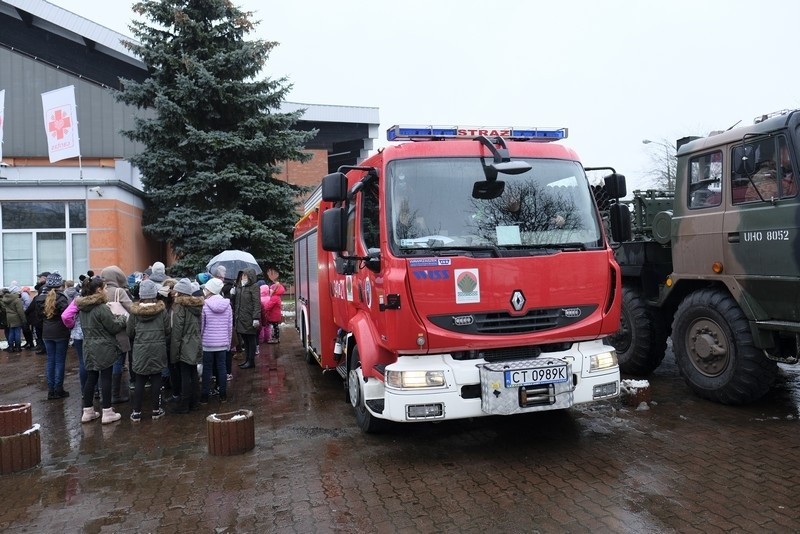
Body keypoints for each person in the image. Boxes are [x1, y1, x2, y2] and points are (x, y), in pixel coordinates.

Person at [77, 276, 128, 424]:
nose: (106, 290)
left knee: (91, 378)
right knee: (105, 378)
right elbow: (114, 327)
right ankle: (107, 412)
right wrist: (123, 318)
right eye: (105, 288)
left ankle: (87, 412)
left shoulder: (83, 308)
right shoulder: (101, 308)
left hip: (88, 346)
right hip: (103, 347)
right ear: (98, 290)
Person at [127, 279, 170, 422]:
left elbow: (130, 332)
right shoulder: (162, 310)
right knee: (156, 377)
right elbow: (167, 330)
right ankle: (156, 410)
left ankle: (136, 412)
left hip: (140, 349)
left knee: (140, 379)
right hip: (158, 348)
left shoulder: (134, 312)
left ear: (140, 295)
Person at [100, 265, 134, 404]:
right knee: (118, 363)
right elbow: (131, 309)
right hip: (119, 332)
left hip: (102, 333)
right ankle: (115, 395)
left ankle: (104, 395)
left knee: (104, 364)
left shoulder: (99, 291)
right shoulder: (118, 291)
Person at [170, 278, 203, 413]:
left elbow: (177, 331)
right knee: (193, 373)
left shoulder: (179, 307)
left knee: (185, 375)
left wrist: (174, 353)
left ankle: (184, 405)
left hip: (184, 344)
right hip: (195, 342)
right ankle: (195, 402)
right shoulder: (196, 306)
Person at [37, 272, 71, 400]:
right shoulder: (62, 298)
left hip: (47, 332)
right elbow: (66, 316)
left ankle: (51, 390)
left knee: (50, 360)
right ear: (60, 285)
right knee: (60, 361)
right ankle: (58, 389)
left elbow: (39, 317)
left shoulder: (40, 298)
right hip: (61, 332)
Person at [201, 277, 232, 404]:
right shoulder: (227, 306)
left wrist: (201, 340)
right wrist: (228, 342)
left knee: (207, 370)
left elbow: (202, 325)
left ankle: (204, 396)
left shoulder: (205, 306)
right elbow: (230, 326)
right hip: (222, 343)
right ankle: (223, 395)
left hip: (207, 344)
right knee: (222, 368)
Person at [234, 268, 261, 369]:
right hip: (240, 317)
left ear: (250, 276)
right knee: (245, 339)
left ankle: (251, 361)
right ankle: (247, 360)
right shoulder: (240, 287)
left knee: (251, 338)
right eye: (242, 276)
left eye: (245, 276)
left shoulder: (254, 287)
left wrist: (256, 317)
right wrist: (233, 294)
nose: (243, 278)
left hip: (250, 317)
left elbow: (256, 303)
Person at [1, 285, 26, 352]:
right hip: (16, 317)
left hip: (9, 317)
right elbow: (20, 310)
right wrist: (24, 320)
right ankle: (18, 347)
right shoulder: (17, 299)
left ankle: (11, 347)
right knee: (17, 332)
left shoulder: (5, 299)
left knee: (11, 332)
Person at [264, 274, 285, 344]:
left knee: (275, 327)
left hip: (274, 315)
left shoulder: (274, 298)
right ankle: (276, 338)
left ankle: (276, 338)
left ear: (274, 290)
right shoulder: (277, 297)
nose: (270, 291)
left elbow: (269, 306)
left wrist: (264, 307)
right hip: (275, 315)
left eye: (271, 290)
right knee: (275, 327)